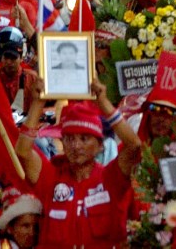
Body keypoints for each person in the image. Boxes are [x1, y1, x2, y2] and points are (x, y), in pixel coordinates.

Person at [15, 80, 141, 248]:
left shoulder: (111, 179)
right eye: (69, 139)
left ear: (100, 145)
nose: (76, 146)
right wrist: (38, 103)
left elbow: (134, 145)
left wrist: (103, 103)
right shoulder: (51, 177)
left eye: (84, 138)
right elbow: (23, 151)